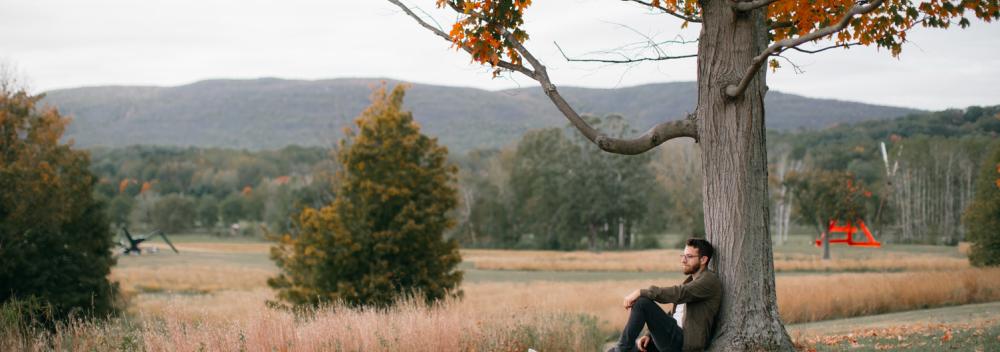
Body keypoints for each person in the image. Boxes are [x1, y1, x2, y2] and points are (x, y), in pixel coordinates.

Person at [607, 238, 722, 352]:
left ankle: (622, 349)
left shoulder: (709, 281)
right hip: (671, 337)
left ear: (703, 260)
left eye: (689, 256)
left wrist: (641, 292)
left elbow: (679, 293)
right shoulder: (691, 281)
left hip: (684, 342)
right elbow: (673, 314)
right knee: (611, 350)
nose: (683, 260)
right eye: (683, 256)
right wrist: (649, 335)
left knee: (642, 302)